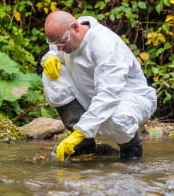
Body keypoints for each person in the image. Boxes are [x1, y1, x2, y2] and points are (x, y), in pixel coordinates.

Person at [41, 11, 157, 162]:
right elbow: (55, 50)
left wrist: (81, 131)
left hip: (128, 99)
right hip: (92, 95)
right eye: (55, 44)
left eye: (62, 42)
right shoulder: (67, 39)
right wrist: (50, 57)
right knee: (52, 73)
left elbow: (109, 95)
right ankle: (84, 144)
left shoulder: (105, 45)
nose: (60, 48)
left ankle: (131, 149)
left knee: (116, 118)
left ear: (75, 27)